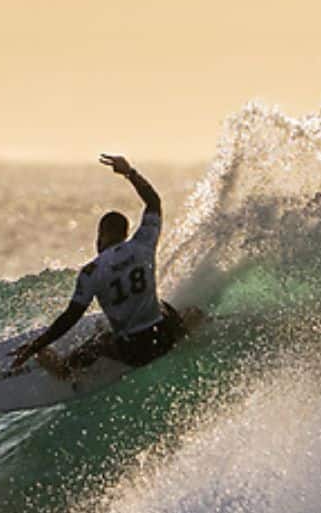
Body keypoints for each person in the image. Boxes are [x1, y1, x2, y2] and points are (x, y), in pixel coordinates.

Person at [10, 154, 188, 376]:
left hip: (135, 352)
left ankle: (64, 370)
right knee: (169, 309)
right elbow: (153, 201)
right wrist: (129, 172)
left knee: (101, 341)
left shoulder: (92, 271)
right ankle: (189, 331)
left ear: (102, 234)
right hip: (162, 338)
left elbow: (70, 317)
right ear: (124, 233)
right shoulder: (144, 244)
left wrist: (35, 345)